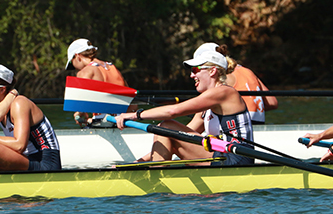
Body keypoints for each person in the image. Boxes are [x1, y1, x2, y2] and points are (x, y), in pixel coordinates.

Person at [114, 49, 254, 166]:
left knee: (166, 125)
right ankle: (154, 172)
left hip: (237, 158)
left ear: (212, 71)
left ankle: (156, 180)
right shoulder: (206, 107)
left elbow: (173, 111)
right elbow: (174, 137)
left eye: (195, 70)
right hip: (221, 155)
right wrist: (137, 163)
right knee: (166, 130)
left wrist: (135, 115)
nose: (191, 75)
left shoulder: (225, 92)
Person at [0, 64, 61, 173]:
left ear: (2, 89)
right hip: (26, 159)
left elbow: (19, 145)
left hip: (45, 163)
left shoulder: (19, 103)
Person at [193, 42, 278, 124]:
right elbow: (272, 102)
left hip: (238, 122)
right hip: (259, 123)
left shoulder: (221, 76)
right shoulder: (247, 71)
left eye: (197, 68)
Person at [65, 38, 129, 126]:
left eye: (72, 63)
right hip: (122, 121)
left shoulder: (85, 72)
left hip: (104, 122)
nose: (75, 68)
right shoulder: (113, 68)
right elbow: (130, 100)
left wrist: (79, 113)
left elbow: (82, 103)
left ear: (77, 56)